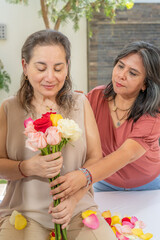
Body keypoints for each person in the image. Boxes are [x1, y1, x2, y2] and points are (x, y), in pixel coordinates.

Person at [0, 30, 116, 240]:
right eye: (41, 68)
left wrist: (74, 197)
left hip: (78, 209)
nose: (50, 77)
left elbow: (95, 159)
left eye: (58, 68)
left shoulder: (81, 103)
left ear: (67, 66)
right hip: (24, 212)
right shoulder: (8, 108)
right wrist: (26, 168)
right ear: (25, 66)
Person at [49, 41, 160, 199]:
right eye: (120, 66)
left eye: (133, 73)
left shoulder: (153, 114)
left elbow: (127, 153)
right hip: (103, 180)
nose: (121, 75)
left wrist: (83, 177)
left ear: (145, 84)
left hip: (148, 186)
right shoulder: (96, 97)